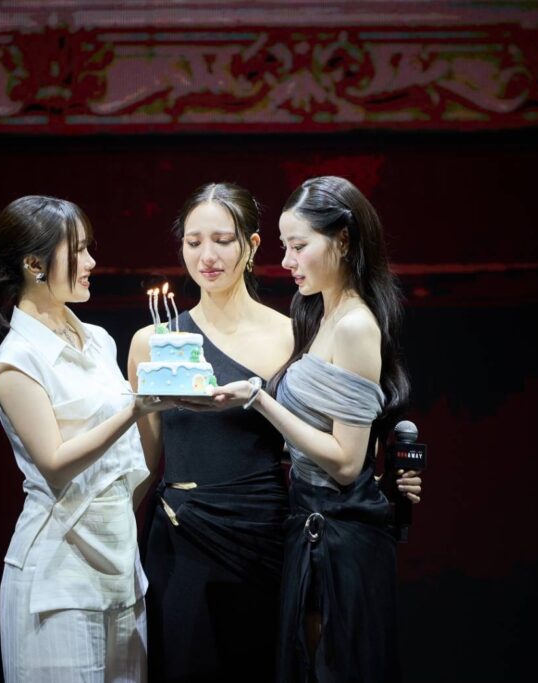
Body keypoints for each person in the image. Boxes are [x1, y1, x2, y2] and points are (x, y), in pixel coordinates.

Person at [210, 176, 422, 681]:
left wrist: (259, 399)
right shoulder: (318, 313)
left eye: (299, 246)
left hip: (338, 537)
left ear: (343, 240)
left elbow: (346, 463)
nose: (287, 260)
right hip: (311, 524)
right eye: (285, 246)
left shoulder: (354, 325)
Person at [0, 195, 173, 682]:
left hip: (120, 569)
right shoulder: (16, 361)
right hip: (57, 579)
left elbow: (128, 461)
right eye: (78, 251)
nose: (92, 262)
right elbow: (55, 463)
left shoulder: (98, 340)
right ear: (35, 265)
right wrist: (136, 407)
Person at [127, 182, 294, 681]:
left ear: (253, 245)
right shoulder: (152, 341)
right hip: (182, 535)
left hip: (264, 533)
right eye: (193, 242)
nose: (207, 257)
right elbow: (143, 462)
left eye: (222, 241)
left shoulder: (291, 334)